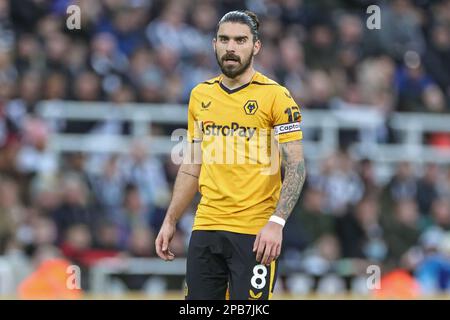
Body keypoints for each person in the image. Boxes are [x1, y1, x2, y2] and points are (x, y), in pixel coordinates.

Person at [155, 10, 306, 300]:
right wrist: (171, 219)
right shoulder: (200, 95)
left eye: (240, 40)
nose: (231, 48)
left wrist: (277, 223)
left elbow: (297, 167)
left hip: (254, 232)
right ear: (214, 44)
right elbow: (191, 165)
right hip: (206, 226)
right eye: (224, 39)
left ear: (256, 46)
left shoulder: (276, 96)